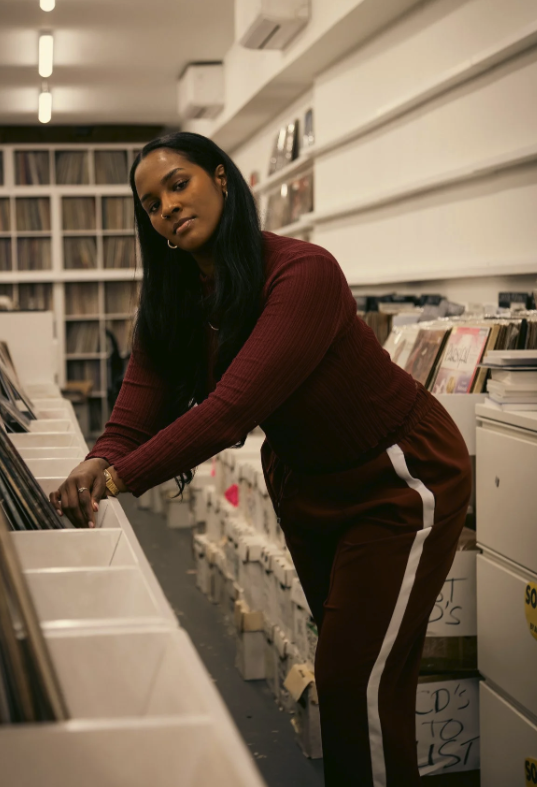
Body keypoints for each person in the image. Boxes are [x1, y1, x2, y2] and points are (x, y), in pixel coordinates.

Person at [50, 131, 471, 787]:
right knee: (361, 672)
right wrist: (98, 456)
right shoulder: (176, 297)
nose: (168, 206)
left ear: (221, 178)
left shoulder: (302, 272)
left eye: (179, 184)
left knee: (351, 681)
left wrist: (114, 475)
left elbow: (230, 411)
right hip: (309, 485)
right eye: (152, 204)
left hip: (396, 477)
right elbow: (137, 405)